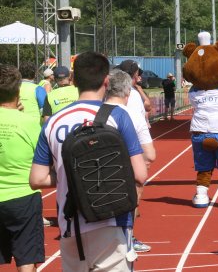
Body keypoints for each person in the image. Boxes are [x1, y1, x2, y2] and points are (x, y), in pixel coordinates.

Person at [29, 51, 148, 272]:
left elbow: (36, 179)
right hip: (112, 218)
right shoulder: (118, 116)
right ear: (106, 81)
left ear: (73, 81)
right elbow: (140, 174)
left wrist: (71, 174)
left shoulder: (53, 122)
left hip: (70, 223)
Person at [0, 64, 45, 271]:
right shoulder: (28, 123)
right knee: (26, 256)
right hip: (22, 195)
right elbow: (45, 161)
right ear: (18, 92)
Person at [116, 60, 153, 253]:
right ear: (134, 74)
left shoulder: (111, 93)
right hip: (133, 148)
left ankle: (120, 235)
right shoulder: (134, 95)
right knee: (134, 193)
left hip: (113, 146)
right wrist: (147, 154)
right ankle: (129, 237)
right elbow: (142, 117)